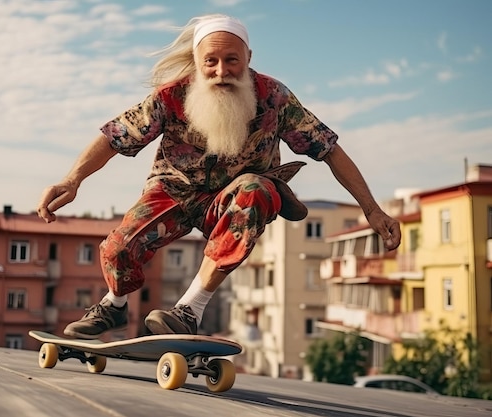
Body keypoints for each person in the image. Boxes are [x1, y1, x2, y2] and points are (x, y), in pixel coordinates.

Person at [36, 14, 401, 339]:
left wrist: (372, 210)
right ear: (197, 62)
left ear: (248, 60)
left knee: (256, 188)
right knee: (117, 249)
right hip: (175, 190)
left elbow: (329, 149)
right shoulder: (171, 96)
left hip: (237, 196)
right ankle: (115, 306)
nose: (222, 72)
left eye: (232, 61)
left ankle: (189, 310)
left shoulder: (274, 98)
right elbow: (115, 137)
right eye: (210, 62)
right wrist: (73, 180)